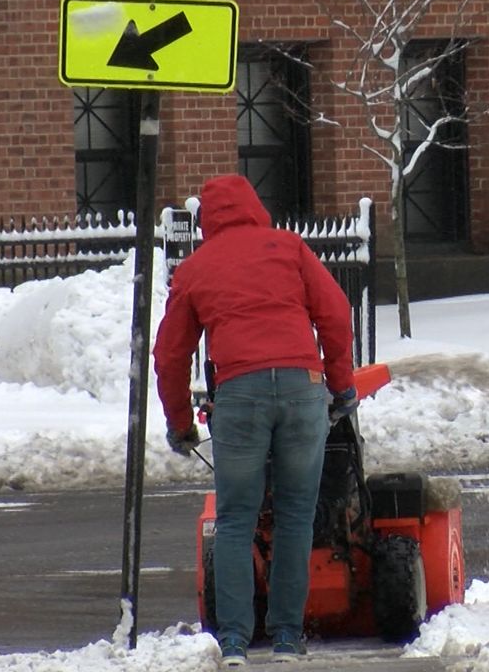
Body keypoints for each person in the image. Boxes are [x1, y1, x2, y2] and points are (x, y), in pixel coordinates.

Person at [152, 174, 358, 666]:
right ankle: (287, 637)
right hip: (301, 389)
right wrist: (342, 384)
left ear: (207, 221)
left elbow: (170, 355)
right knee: (294, 516)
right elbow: (335, 312)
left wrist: (181, 423)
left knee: (236, 519)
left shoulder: (196, 268)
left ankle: (235, 643)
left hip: (238, 395)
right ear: (254, 206)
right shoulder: (288, 247)